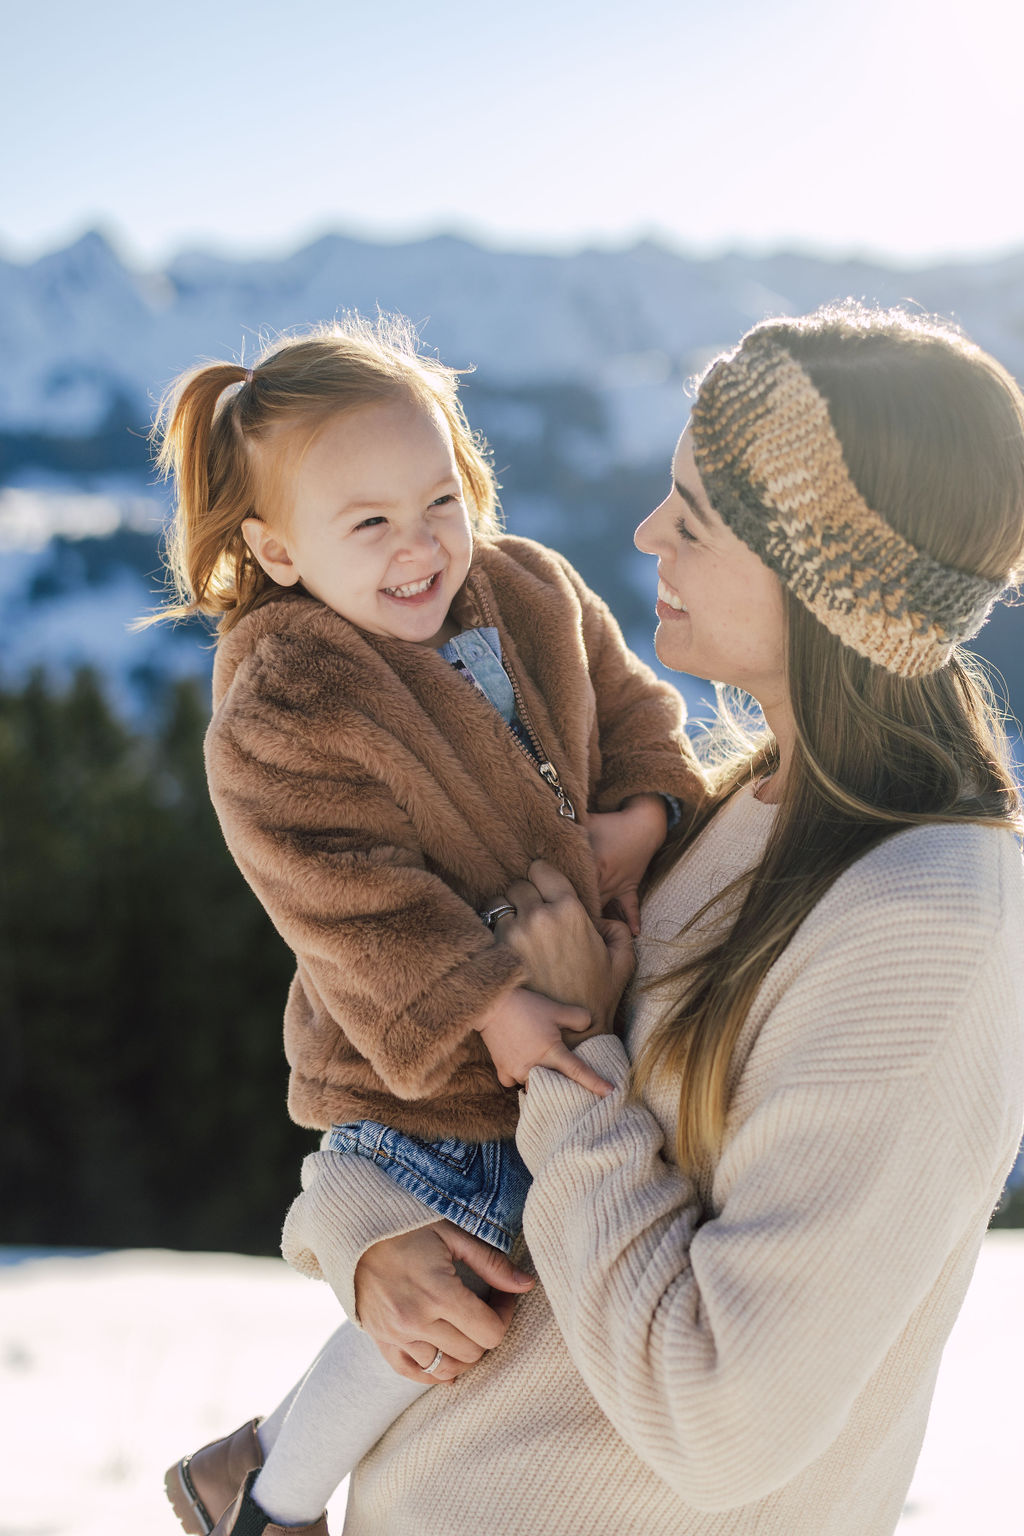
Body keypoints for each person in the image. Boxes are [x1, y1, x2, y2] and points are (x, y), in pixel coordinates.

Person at [278, 302, 1024, 1536]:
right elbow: (459, 1105)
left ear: (822, 575)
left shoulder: (924, 922)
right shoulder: (736, 816)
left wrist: (570, 1070)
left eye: (700, 517)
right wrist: (369, 1240)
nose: (645, 534)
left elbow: (718, 1418)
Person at [151, 315, 703, 1536]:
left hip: (549, 1033)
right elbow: (342, 893)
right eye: (369, 525)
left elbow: (638, 713)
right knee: (461, 1299)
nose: (420, 549)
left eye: (438, 500)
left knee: (498, 1283)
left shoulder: (531, 592)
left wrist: (648, 814)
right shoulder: (291, 695)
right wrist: (486, 1003)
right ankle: (272, 1505)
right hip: (418, 1085)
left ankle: (245, 1467)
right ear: (278, 551)